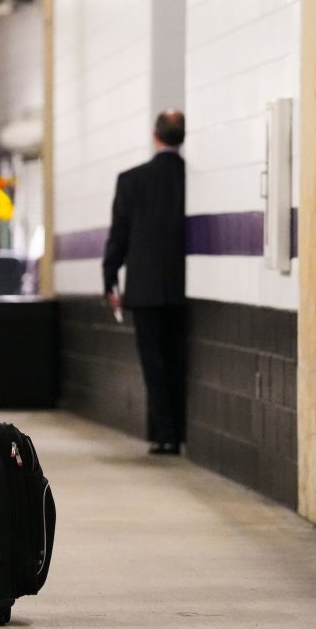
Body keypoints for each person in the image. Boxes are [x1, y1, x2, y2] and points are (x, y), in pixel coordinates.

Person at [102, 109, 188, 456]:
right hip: (184, 285)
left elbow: (118, 237)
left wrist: (111, 282)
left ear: (155, 136)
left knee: (153, 361)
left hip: (144, 286)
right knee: (178, 359)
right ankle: (180, 430)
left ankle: (164, 434)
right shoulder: (192, 179)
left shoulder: (132, 180)